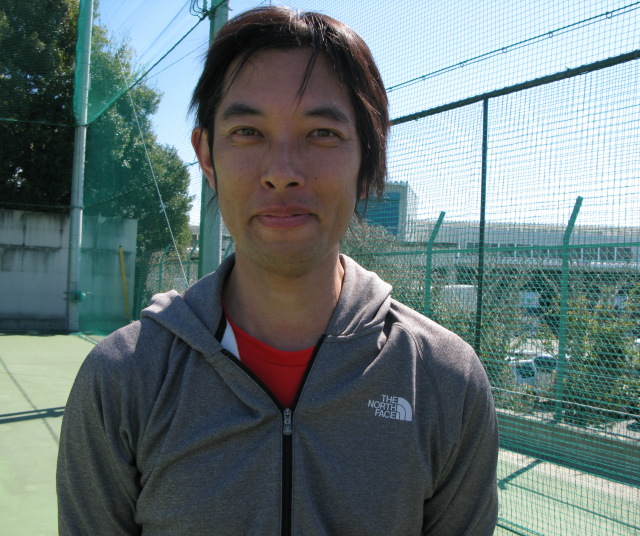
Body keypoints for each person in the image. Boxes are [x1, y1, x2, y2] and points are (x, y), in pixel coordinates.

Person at [57, 6, 499, 535]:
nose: (282, 172)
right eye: (248, 131)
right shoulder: (124, 379)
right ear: (206, 155)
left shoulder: (444, 379)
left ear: (368, 157)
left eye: (322, 133)